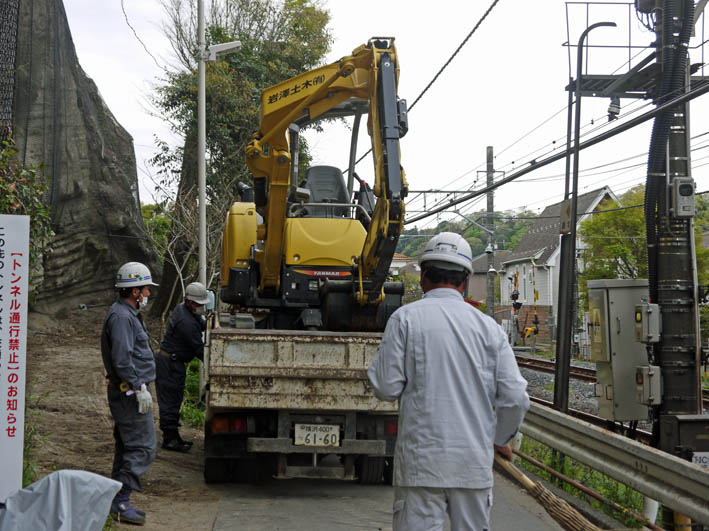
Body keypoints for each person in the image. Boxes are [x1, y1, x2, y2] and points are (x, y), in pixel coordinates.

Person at [368, 232, 530, 531]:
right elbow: (516, 397)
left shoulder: (405, 320)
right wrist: (500, 440)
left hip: (421, 465)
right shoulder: (489, 329)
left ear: (423, 276)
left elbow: (385, 386)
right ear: (465, 279)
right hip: (472, 467)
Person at [101, 261, 159, 526]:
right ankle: (121, 501)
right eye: (145, 289)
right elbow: (122, 360)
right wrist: (138, 387)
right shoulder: (123, 317)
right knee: (142, 447)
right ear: (135, 291)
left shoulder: (127, 313)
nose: (148, 294)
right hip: (130, 394)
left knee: (126, 447)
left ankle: (113, 498)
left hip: (130, 391)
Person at [155, 281, 210, 452]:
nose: (201, 307)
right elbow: (199, 350)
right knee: (170, 402)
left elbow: (202, 323)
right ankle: (170, 439)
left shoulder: (185, 309)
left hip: (172, 362)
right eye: (199, 304)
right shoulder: (185, 322)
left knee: (175, 399)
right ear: (190, 302)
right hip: (170, 364)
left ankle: (174, 437)